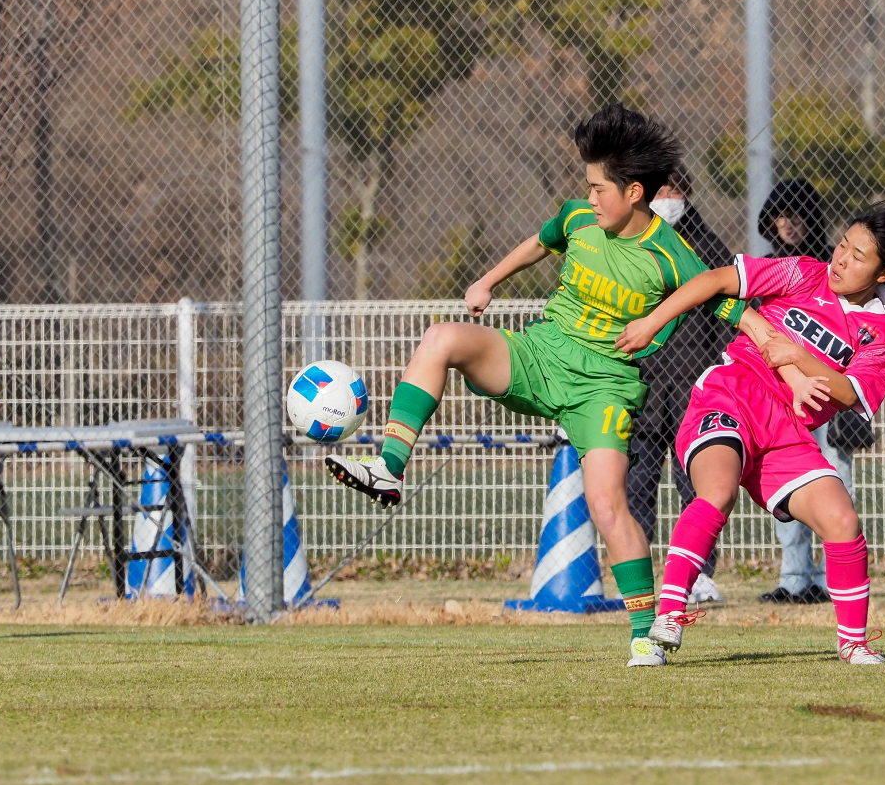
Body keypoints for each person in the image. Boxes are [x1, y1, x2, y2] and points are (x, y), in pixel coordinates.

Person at [325, 104, 780, 665]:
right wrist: (487, 280)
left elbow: (725, 302)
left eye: (598, 188)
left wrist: (774, 345)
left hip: (605, 388)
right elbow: (541, 242)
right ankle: (389, 468)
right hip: (541, 353)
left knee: (607, 505)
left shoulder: (674, 256)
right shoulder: (578, 219)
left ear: (635, 192)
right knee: (441, 338)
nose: (588, 197)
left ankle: (646, 632)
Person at [616, 202, 885, 664]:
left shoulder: (882, 329)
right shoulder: (803, 273)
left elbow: (852, 393)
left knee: (842, 521)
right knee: (716, 493)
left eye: (858, 257)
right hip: (730, 395)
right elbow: (715, 282)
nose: (841, 260)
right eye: (842, 246)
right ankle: (664, 624)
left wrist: (794, 356)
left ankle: (852, 642)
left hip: (788, 431)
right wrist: (653, 322)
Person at [626, 167, 732, 604]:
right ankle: (636, 575)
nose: (667, 198)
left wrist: (723, 370)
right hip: (643, 387)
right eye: (659, 190)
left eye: (674, 189)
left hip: (694, 389)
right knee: (637, 484)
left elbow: (731, 310)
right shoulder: (632, 247)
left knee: (698, 486)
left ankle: (700, 573)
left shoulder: (706, 246)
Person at [755, 178, 857, 605]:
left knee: (835, 481)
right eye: (780, 214)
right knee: (786, 485)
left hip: (829, 399)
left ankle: (834, 579)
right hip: (781, 395)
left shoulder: (832, 270)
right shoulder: (768, 267)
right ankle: (795, 576)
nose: (788, 223)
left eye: (797, 214)